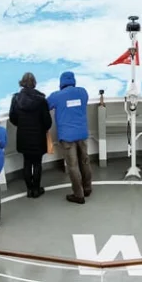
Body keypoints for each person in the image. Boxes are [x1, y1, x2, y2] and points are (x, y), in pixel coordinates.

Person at [51, 70, 92, 204]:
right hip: (82, 133)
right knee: (85, 161)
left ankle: (78, 195)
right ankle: (87, 188)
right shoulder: (83, 92)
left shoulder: (57, 96)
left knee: (73, 166)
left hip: (67, 137)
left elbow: (46, 105)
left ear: (61, 83)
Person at [9, 72, 51, 198]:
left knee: (27, 162)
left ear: (22, 82)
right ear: (34, 83)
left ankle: (29, 189)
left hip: (23, 136)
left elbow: (13, 118)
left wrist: (22, 126)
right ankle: (37, 189)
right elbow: (47, 121)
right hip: (38, 137)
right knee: (37, 163)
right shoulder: (41, 100)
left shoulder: (16, 99)